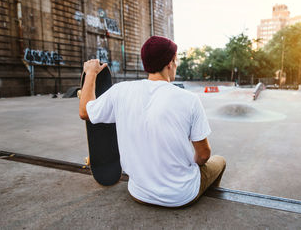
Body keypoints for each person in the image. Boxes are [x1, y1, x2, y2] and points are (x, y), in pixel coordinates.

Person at [79, 36, 226, 207]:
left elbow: (85, 111)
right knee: (220, 161)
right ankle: (209, 201)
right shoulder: (190, 99)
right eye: (175, 60)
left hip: (138, 192)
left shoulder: (120, 91)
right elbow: (203, 155)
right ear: (170, 63)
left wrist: (90, 73)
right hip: (181, 196)